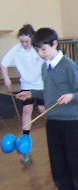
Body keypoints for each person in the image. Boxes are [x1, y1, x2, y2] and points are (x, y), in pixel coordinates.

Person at [16, 28, 78, 190]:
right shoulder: (45, 67)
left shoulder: (69, 67)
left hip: (71, 124)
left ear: (54, 44)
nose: (41, 54)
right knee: (58, 170)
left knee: (75, 168)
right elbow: (48, 92)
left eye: (43, 49)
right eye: (38, 51)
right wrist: (30, 93)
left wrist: (71, 96)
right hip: (53, 124)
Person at [1, 24, 45, 163]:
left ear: (32, 38)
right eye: (22, 41)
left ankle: (57, 132)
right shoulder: (17, 49)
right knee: (26, 111)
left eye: (27, 41)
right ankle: (25, 142)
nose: (24, 44)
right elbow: (3, 63)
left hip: (41, 86)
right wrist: (6, 77)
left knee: (42, 110)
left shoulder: (38, 48)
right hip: (26, 86)